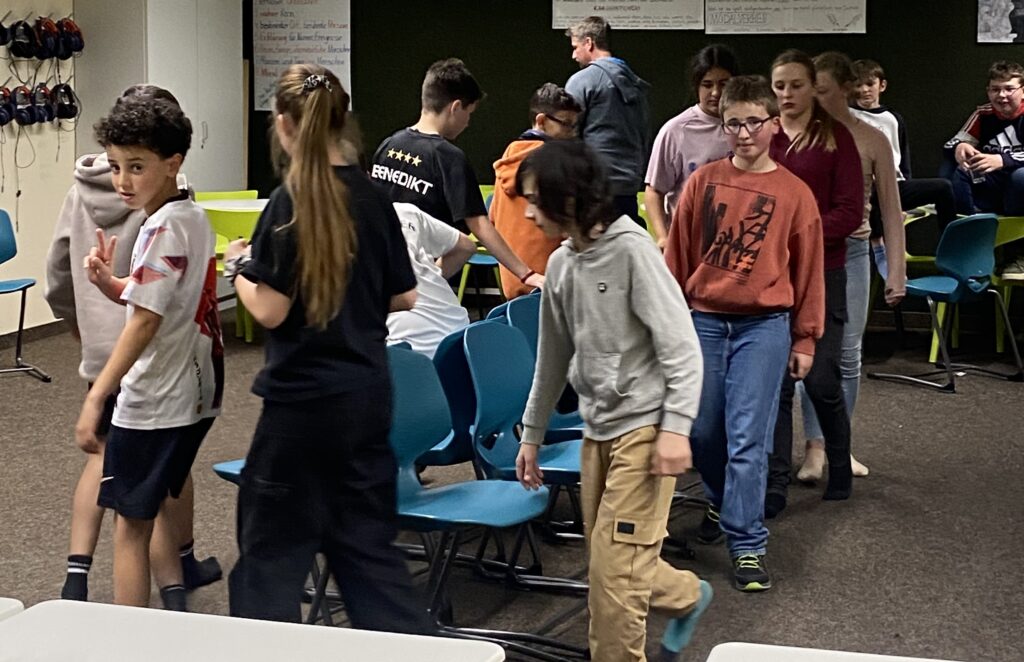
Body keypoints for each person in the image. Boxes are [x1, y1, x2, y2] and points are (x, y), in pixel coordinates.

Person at [224, 64, 432, 633]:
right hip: (367, 397)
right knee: (369, 560)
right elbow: (406, 296)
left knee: (268, 567)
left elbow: (271, 309)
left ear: (284, 125)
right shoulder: (373, 197)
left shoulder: (289, 203)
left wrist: (239, 266)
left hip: (302, 411)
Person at [515, 140, 711, 662]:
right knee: (615, 563)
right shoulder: (561, 264)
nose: (529, 214)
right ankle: (688, 596)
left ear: (570, 197)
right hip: (596, 431)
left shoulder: (632, 252)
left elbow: (681, 347)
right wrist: (531, 435)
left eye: (535, 200)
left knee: (613, 586)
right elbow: (551, 359)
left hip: (644, 431)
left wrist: (675, 427)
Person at [46, 85, 222, 603]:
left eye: (136, 168)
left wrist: (98, 395)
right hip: (188, 388)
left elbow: (145, 321)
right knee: (151, 502)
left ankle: (132, 634)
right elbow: (157, 295)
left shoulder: (161, 229)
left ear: (173, 163)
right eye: (116, 166)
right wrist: (112, 285)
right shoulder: (189, 215)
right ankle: (173, 595)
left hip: (150, 400)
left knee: (130, 528)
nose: (123, 181)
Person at [665, 75, 824, 592]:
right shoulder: (703, 182)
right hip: (704, 321)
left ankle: (748, 543)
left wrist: (805, 338)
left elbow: (809, 272)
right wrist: (668, 329)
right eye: (734, 123)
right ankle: (721, 500)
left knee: (749, 438)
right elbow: (677, 260)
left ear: (773, 124)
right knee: (703, 432)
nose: (744, 133)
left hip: (765, 326)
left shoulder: (794, 193)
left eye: (754, 122)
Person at [765, 50, 863, 517]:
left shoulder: (836, 138)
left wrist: (799, 233)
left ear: (812, 87)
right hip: (772, 276)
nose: (787, 94)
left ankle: (839, 465)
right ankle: (775, 482)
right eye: (779, 86)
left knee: (821, 378)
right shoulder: (764, 137)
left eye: (796, 85)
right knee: (778, 383)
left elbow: (850, 212)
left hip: (824, 272)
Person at [806, 51, 907, 480]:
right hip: (806, 251)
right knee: (809, 351)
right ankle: (814, 448)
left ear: (845, 90)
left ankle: (839, 446)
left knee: (848, 355)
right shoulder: (800, 137)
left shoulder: (872, 138)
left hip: (852, 250)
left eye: (823, 91)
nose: (815, 99)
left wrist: (897, 271)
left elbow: (891, 209)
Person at [371, 58, 544, 291]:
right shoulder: (448, 158)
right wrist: (526, 274)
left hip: (382, 273)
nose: (468, 122)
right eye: (469, 113)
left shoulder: (388, 145)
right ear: (455, 107)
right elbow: (480, 226)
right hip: (423, 279)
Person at [850, 58, 956, 262]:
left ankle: (952, 249)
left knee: (943, 187)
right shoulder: (847, 116)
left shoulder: (893, 119)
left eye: (869, 84)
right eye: (858, 84)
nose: (863, 90)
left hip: (894, 185)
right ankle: (878, 245)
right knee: (872, 191)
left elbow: (902, 157)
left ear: (882, 85)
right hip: (864, 187)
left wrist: (902, 198)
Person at [491, 82, 581, 299]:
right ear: (541, 121)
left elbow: (492, 216)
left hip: (514, 278)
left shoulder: (509, 155)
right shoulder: (555, 160)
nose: (572, 133)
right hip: (550, 282)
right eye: (566, 124)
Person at [645, 44, 740, 249]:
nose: (716, 92)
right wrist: (663, 238)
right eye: (707, 84)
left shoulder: (750, 126)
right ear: (697, 86)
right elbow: (654, 191)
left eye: (724, 84)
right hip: (689, 244)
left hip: (737, 244)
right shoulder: (676, 130)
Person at [565, 16, 651, 224]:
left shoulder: (582, 81)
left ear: (589, 43)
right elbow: (644, 134)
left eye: (576, 47)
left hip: (593, 190)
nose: (573, 55)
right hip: (629, 187)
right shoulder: (635, 83)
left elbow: (566, 132)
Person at [943, 60, 1024, 279]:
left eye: (1009, 89)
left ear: (1022, 90)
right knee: (958, 170)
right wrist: (961, 147)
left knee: (1020, 177)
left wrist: (1003, 160)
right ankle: (969, 246)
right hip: (993, 186)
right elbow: (953, 143)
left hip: (1019, 185)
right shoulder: (983, 114)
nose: (1002, 96)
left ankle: (1017, 254)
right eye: (995, 89)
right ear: (988, 91)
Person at [387, 202, 474, 357]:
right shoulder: (406, 211)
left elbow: (404, 299)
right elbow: (466, 247)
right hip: (464, 343)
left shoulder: (347, 234)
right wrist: (432, 277)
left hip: (420, 356)